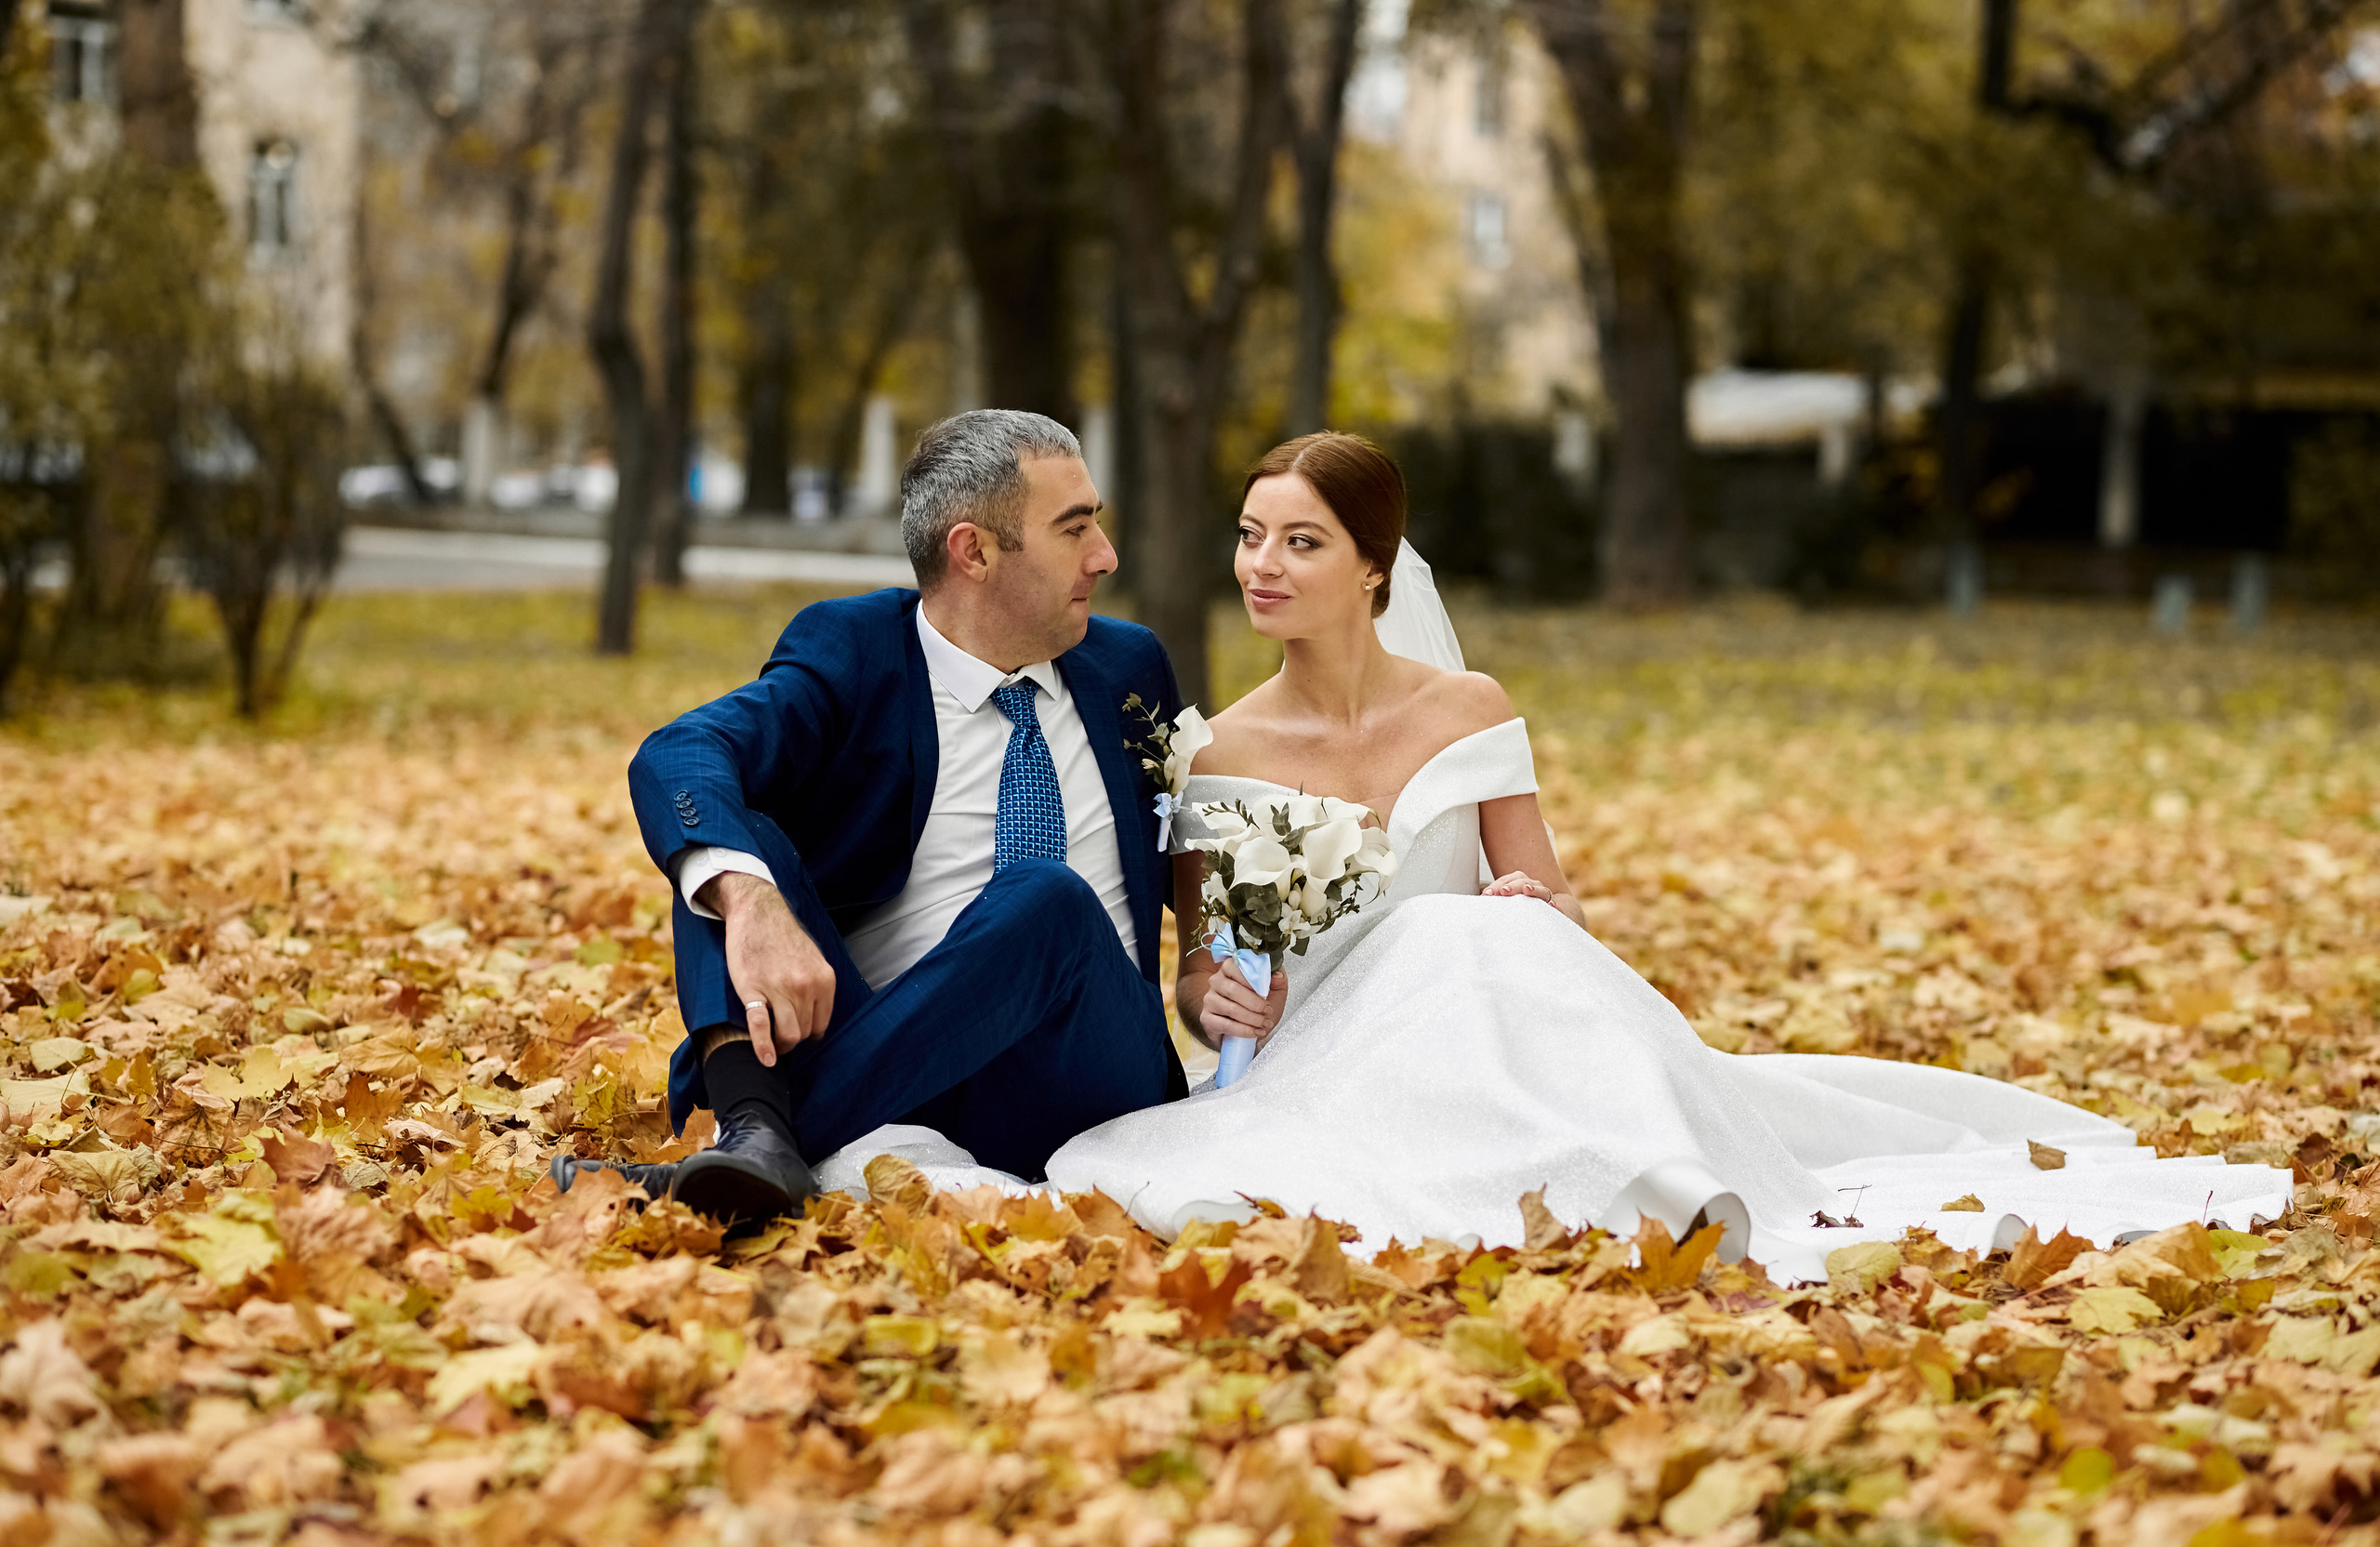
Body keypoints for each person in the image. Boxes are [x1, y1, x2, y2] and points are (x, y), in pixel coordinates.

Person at [1038, 432, 2292, 1282]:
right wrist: (1212, 998)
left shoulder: (1469, 711)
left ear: (1374, 567)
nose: (1261, 566)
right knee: (1437, 938)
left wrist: (1530, 902)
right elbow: (1196, 975)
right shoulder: (1218, 751)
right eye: (1250, 536)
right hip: (1328, 1058)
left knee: (1467, 924)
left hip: (1492, 1016)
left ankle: (1636, 1162)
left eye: (1301, 542)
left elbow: (1554, 905)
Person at [551, 410, 1188, 1226]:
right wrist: (748, 896)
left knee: (1048, 899)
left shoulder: (1129, 667)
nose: (1105, 554)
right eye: (1075, 528)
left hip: (1084, 1064)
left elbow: (1195, 846)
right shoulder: (858, 650)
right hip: (897, 1061)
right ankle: (760, 1133)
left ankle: (769, 1138)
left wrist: (1216, 955)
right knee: (730, 845)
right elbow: (682, 752)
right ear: (973, 552)